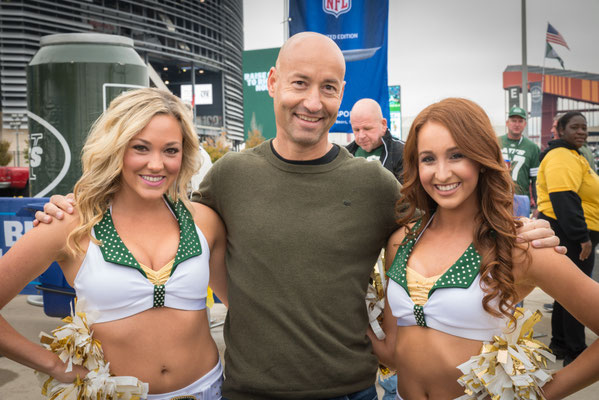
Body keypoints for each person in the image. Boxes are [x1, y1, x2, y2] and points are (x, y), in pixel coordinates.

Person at [36, 33, 562, 400]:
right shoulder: (227, 179)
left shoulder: (375, 184)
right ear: (272, 82)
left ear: (341, 94)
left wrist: (519, 230)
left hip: (352, 391)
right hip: (244, 390)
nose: (313, 101)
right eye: (299, 83)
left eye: (329, 87)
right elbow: (171, 229)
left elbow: (443, 224)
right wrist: (77, 207)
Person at [0, 88, 227, 399]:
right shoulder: (71, 224)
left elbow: (242, 307)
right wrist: (52, 364)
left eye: (170, 150)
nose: (157, 164)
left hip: (207, 390)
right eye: (141, 148)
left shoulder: (204, 221)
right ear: (115, 149)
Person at [368, 98, 599, 399]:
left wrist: (537, 394)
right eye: (428, 159)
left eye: (456, 155)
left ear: (481, 158)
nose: (441, 173)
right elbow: (391, 353)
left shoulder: (519, 244)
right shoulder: (401, 240)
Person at [537, 111, 599, 366]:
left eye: (584, 127)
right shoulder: (561, 156)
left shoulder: (572, 155)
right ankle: (575, 350)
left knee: (565, 293)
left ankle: (561, 343)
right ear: (560, 130)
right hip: (571, 233)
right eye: (575, 127)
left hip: (571, 231)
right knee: (576, 294)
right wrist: (582, 237)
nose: (582, 132)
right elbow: (564, 198)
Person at [347, 98, 405, 182]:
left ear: (383, 125)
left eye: (367, 129)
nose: (361, 136)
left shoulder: (403, 152)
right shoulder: (345, 154)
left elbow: (407, 192)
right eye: (356, 130)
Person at [499, 106, 540, 208]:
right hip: (497, 197)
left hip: (520, 200)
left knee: (522, 224)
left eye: (520, 121)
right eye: (513, 121)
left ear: (525, 124)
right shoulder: (496, 142)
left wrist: (538, 206)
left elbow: (536, 180)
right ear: (507, 123)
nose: (517, 124)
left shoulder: (532, 148)